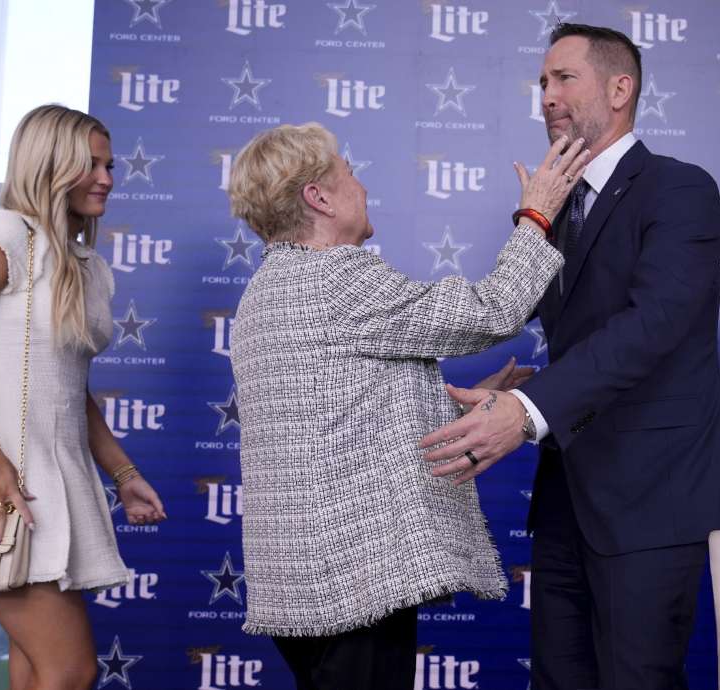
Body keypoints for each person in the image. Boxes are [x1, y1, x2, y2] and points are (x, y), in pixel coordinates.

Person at [225, 121, 588, 690]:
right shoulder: (335, 279)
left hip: (300, 584)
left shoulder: (265, 293)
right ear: (318, 198)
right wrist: (537, 215)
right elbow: (492, 310)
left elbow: (331, 421)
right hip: (354, 581)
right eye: (349, 173)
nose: (362, 186)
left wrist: (449, 402)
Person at [419, 23, 720, 690]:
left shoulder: (680, 189)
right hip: (567, 502)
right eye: (541, 84)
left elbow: (653, 325)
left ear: (621, 88)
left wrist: (526, 411)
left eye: (564, 78)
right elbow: (498, 311)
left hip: (650, 500)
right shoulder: (550, 206)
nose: (547, 96)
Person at [0, 104, 166, 689]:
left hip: (53, 482)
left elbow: (68, 388)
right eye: (91, 164)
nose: (106, 177)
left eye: (109, 165)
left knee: (36, 670)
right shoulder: (5, 235)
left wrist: (123, 472)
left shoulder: (87, 266)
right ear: (49, 164)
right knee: (70, 669)